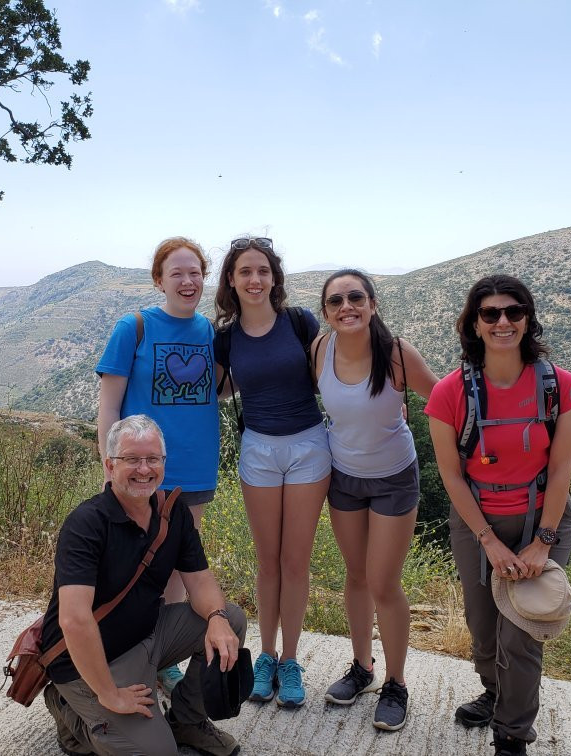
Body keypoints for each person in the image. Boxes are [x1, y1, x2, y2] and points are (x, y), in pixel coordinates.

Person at [425, 275, 571, 756]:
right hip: (477, 524)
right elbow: (452, 477)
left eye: (514, 312)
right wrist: (488, 540)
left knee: (521, 630)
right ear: (474, 323)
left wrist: (544, 540)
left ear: (527, 318)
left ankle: (512, 733)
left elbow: (560, 469)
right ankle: (495, 694)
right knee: (483, 630)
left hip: (543, 518)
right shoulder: (450, 393)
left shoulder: (560, 387)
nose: (502, 322)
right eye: (490, 313)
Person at [40, 415, 246, 756]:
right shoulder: (86, 524)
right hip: (91, 660)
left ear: (163, 463)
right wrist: (109, 694)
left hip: (147, 635)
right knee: (156, 752)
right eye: (131, 459)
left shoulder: (172, 513)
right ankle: (71, 712)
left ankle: (187, 722)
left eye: (153, 459)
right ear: (109, 465)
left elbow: (199, 579)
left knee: (230, 621)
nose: (144, 469)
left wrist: (217, 618)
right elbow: (74, 620)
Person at [314, 269, 438, 731]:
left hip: (393, 479)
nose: (346, 306)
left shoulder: (397, 355)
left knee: (384, 583)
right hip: (344, 478)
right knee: (356, 575)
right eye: (336, 300)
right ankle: (362, 668)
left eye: (356, 297)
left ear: (372, 303)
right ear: (325, 311)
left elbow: (443, 399)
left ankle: (396, 683)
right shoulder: (320, 351)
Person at [95, 236, 219, 696]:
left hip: (195, 466)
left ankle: (162, 659)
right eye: (177, 273)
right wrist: (111, 468)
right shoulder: (136, 328)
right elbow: (108, 404)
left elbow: (218, 388)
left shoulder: (208, 331)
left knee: (177, 566)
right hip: (141, 469)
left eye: (195, 273)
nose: (187, 282)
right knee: (132, 563)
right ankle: (123, 651)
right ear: (159, 280)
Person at [212, 236, 331, 709]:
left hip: (308, 446)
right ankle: (264, 655)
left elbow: (335, 375)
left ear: (274, 277)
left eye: (262, 270)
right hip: (258, 448)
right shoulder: (225, 336)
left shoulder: (300, 323)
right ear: (231, 281)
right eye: (245, 272)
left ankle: (291, 659)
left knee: (295, 562)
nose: (255, 279)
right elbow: (219, 390)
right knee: (268, 562)